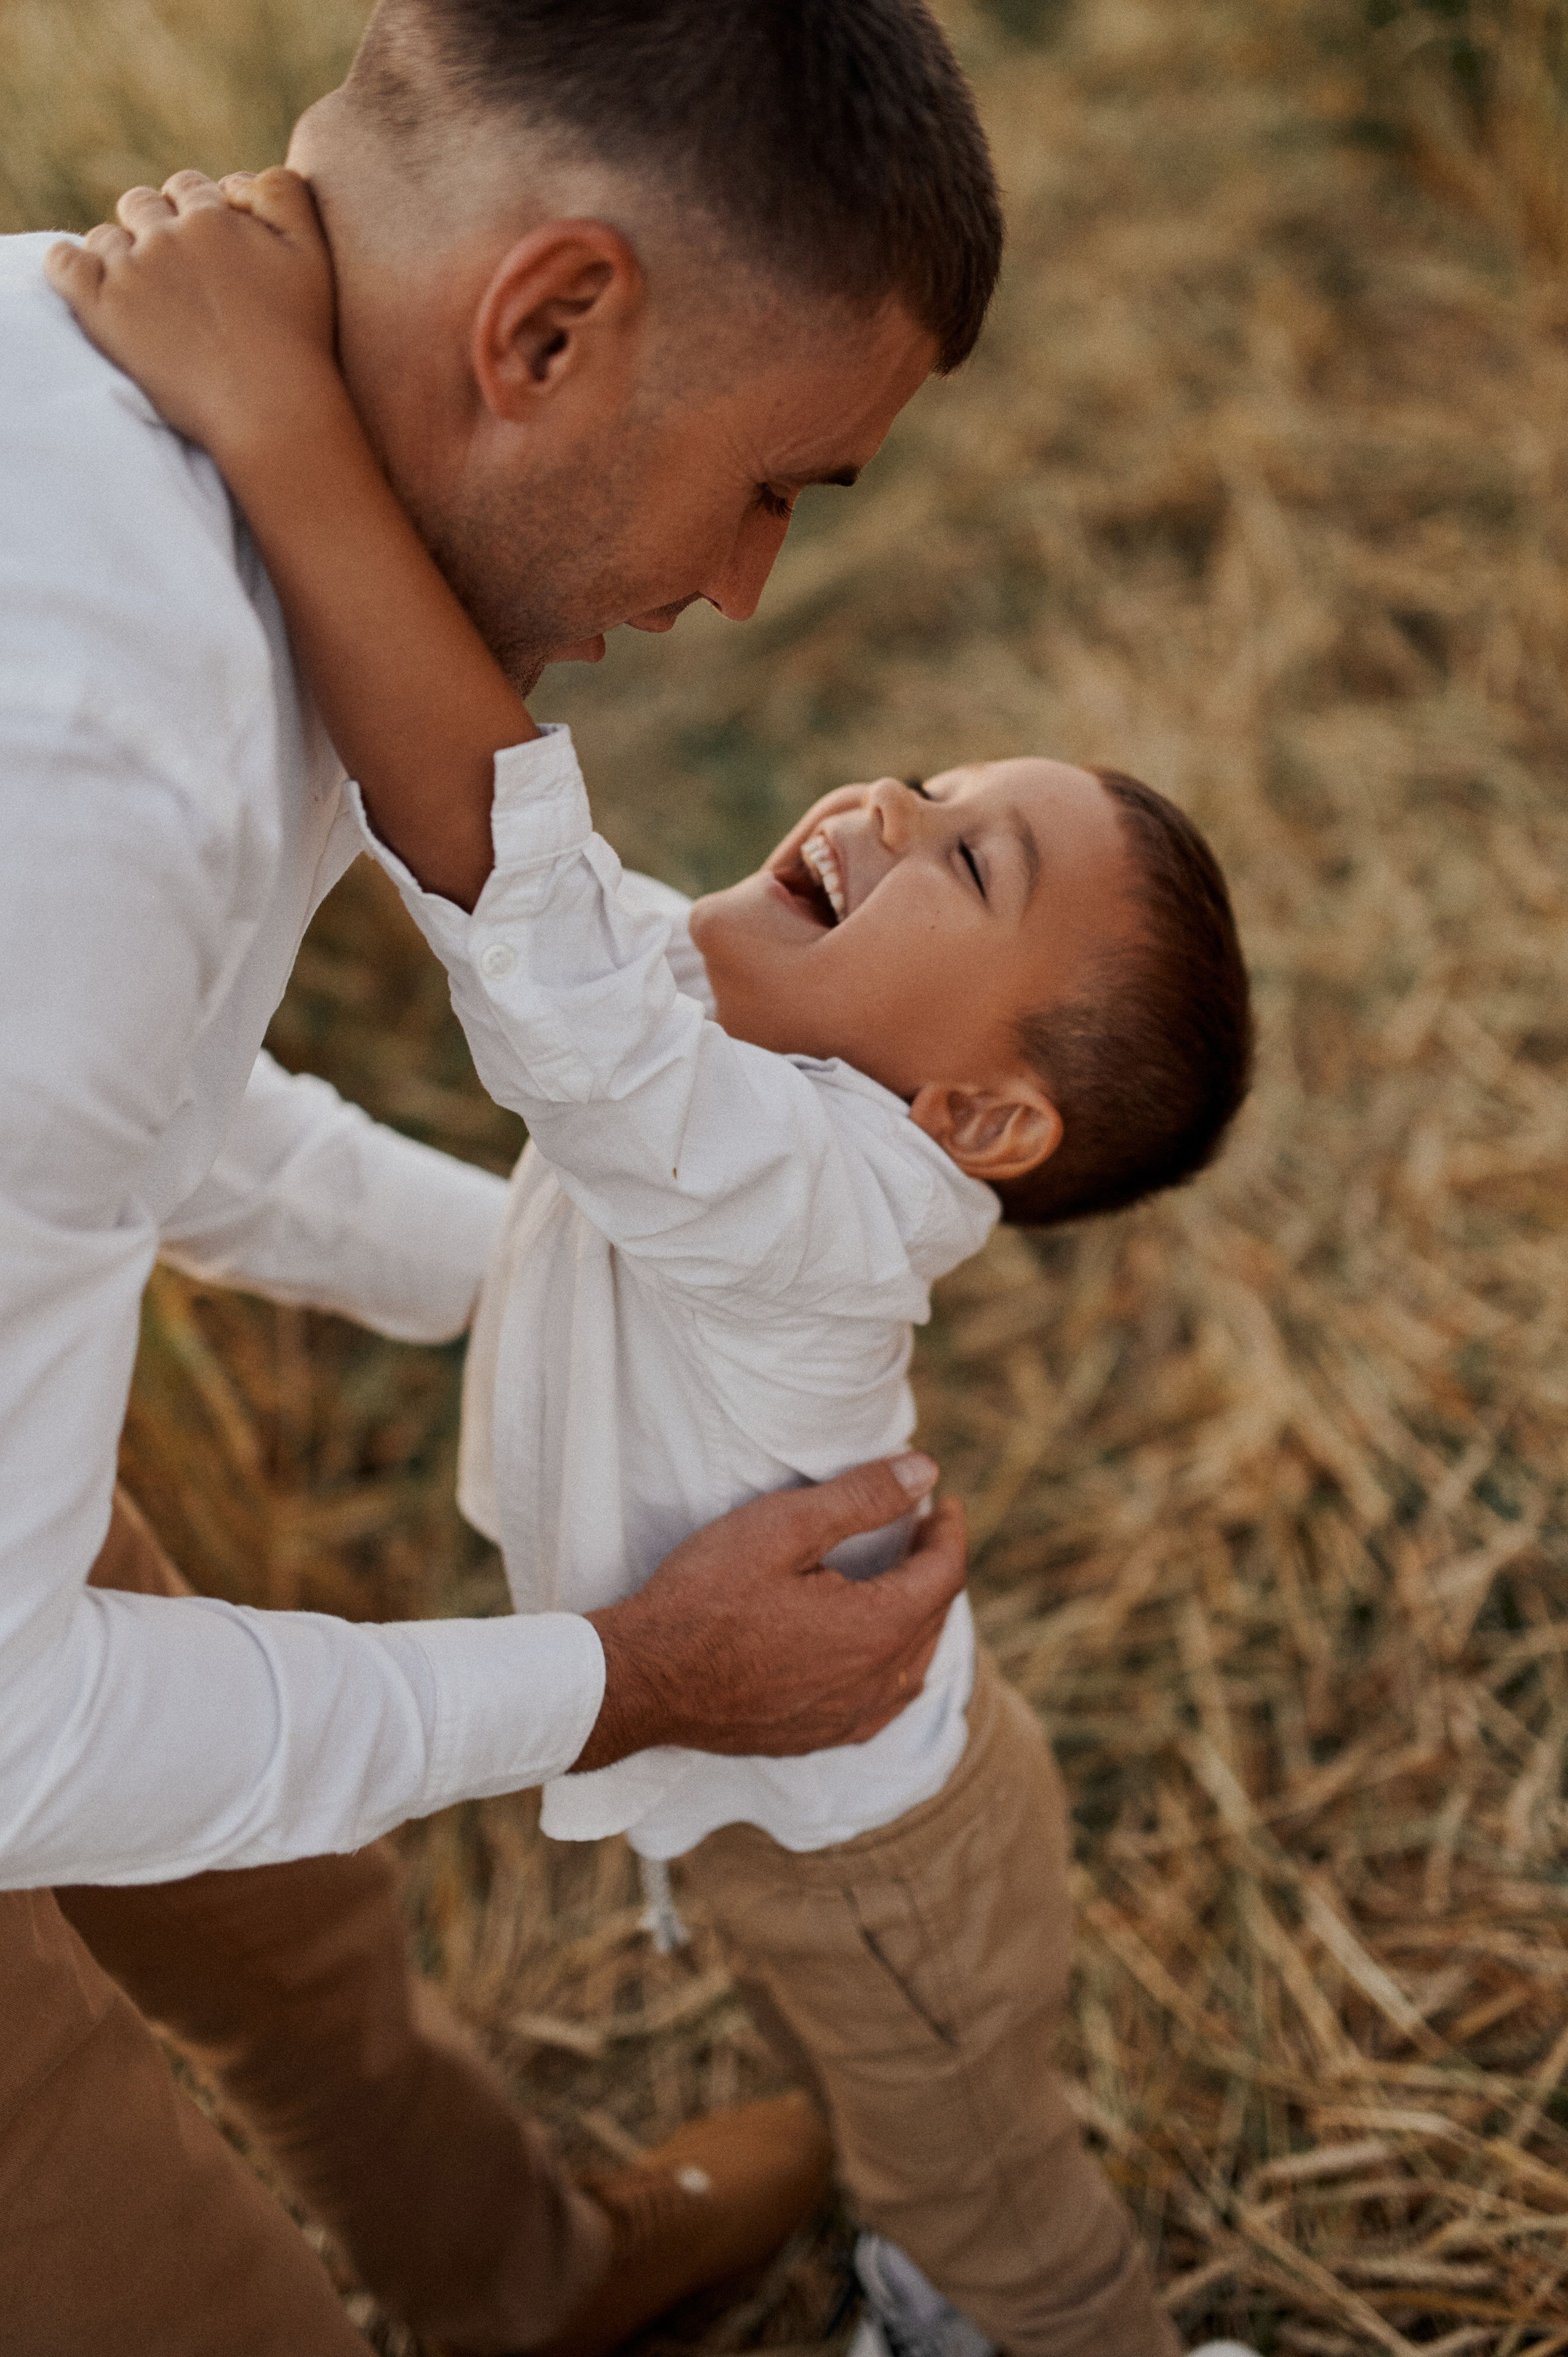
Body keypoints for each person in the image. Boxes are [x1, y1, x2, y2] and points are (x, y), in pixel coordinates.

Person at [50, 166, 1260, 2357]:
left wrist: (289, 443)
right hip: (805, 1825)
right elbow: (552, 1053)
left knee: (995, 2188)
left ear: (980, 1121)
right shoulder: (769, 1126)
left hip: (875, 1851)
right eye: (918, 781)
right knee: (921, 2123)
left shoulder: (817, 1183)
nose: (878, 811)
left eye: (959, 859)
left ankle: (1011, 2316)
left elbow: (550, 960)